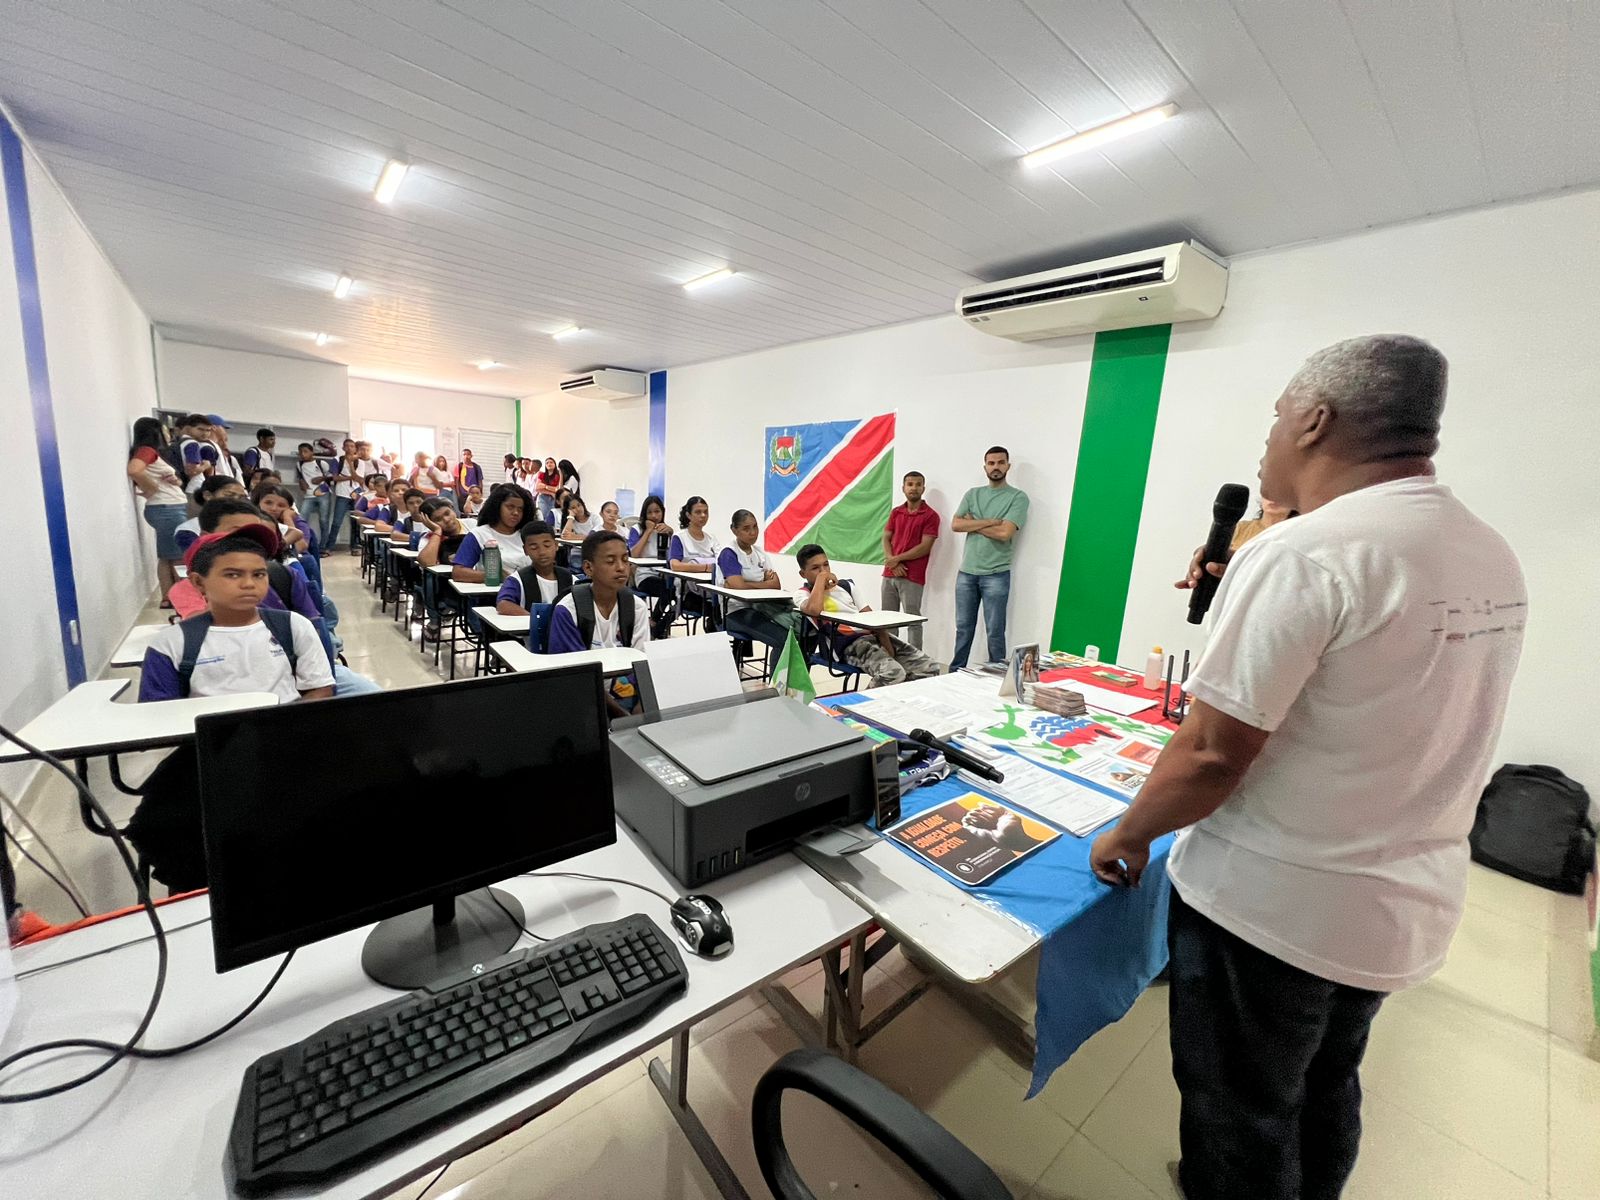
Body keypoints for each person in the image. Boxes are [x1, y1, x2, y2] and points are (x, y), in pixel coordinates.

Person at [1089, 335, 1526, 1200]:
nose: (1267, 441)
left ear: (1316, 419)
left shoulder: (1306, 553)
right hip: (1396, 904)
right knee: (1327, 1082)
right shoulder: (1486, 550)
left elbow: (1213, 751)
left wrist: (1131, 831)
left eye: (1277, 416)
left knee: (1241, 1112)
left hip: (1274, 911)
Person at [128, 526, 335, 891]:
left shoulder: (292, 627)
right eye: (232, 574)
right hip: (208, 751)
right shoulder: (173, 643)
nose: (249, 584)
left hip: (283, 740)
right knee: (174, 823)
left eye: (257, 574)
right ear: (198, 582)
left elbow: (320, 688)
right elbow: (155, 718)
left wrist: (278, 729)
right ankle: (205, 891)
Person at [797, 544, 939, 688]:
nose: (823, 571)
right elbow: (814, 610)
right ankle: (862, 706)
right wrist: (821, 580)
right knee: (893, 674)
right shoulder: (803, 594)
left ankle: (899, 699)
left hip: (871, 637)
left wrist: (886, 642)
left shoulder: (846, 586)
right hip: (845, 644)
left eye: (826, 565)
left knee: (929, 667)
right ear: (803, 574)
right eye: (816, 568)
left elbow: (870, 617)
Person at [548, 531, 651, 714]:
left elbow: (642, 666)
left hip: (626, 693)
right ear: (588, 568)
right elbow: (578, 676)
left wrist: (641, 707)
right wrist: (622, 716)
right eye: (610, 561)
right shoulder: (569, 610)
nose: (621, 568)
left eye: (625, 559)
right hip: (583, 699)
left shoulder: (637, 607)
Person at [950, 446, 1029, 669]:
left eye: (1000, 463)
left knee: (995, 631)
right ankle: (955, 673)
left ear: (1008, 466)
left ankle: (996, 676)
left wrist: (974, 523)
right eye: (991, 463)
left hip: (996, 574)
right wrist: (991, 521)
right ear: (985, 466)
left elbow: (1005, 534)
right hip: (966, 573)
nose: (996, 467)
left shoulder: (1018, 498)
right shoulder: (973, 494)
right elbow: (956, 524)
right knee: (963, 628)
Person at [716, 510, 799, 669]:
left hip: (762, 608)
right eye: (746, 528)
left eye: (755, 527)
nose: (753, 532)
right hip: (736, 612)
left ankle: (794, 683)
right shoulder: (729, 553)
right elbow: (737, 586)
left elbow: (775, 585)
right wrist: (761, 582)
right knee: (783, 639)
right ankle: (777, 688)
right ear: (734, 530)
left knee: (801, 631)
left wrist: (744, 582)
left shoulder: (760, 553)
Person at [126, 417, 188, 603]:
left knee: (168, 556)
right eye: (164, 430)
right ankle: (180, 600)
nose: (168, 433)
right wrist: (151, 489)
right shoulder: (147, 451)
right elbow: (135, 470)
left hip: (167, 508)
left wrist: (175, 481)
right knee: (178, 558)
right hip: (167, 509)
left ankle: (169, 598)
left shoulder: (153, 453)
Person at [880, 470, 940, 650]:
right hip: (890, 575)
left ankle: (916, 661)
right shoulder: (896, 512)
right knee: (888, 619)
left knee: (913, 619)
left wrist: (896, 559)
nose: (914, 488)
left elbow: (925, 546)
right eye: (910, 484)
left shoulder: (931, 515)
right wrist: (893, 562)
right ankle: (890, 655)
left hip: (912, 576)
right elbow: (885, 537)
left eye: (918, 484)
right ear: (903, 488)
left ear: (923, 488)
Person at [451, 485, 533, 582]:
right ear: (497, 506)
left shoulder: (527, 534)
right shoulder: (479, 535)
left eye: (520, 509)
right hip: (492, 594)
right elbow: (458, 573)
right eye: (510, 507)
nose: (516, 513)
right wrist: (495, 576)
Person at [495, 521, 575, 615]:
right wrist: (535, 619)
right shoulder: (517, 580)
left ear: (556, 545)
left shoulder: (570, 578)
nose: (542, 552)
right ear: (525, 550)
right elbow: (503, 604)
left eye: (547, 546)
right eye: (534, 547)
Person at [629, 494, 676, 638]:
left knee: (679, 594)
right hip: (643, 575)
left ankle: (657, 625)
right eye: (650, 512)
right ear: (644, 514)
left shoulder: (666, 530)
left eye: (657, 511)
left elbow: (673, 557)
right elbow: (634, 554)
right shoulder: (637, 529)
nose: (654, 515)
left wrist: (671, 534)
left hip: (662, 573)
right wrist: (648, 531)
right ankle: (656, 623)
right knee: (666, 590)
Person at [670, 495, 721, 628]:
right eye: (698, 512)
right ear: (688, 515)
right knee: (720, 612)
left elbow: (720, 561)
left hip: (712, 588)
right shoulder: (679, 537)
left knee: (732, 609)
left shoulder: (711, 538)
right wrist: (705, 567)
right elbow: (674, 565)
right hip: (690, 592)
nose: (703, 515)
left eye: (705, 512)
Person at [174, 475, 249, 553]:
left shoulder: (248, 523)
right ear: (208, 495)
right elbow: (199, 560)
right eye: (229, 495)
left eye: (241, 497)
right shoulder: (189, 529)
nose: (236, 500)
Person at [292, 442, 334, 550]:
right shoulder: (299, 464)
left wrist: (322, 479)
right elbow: (300, 477)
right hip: (308, 495)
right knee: (301, 519)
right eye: (300, 452)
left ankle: (323, 547)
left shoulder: (321, 463)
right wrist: (302, 483)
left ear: (312, 452)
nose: (303, 454)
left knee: (324, 520)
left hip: (323, 494)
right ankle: (303, 545)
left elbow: (331, 476)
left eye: (305, 451)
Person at [1229, 495, 1293, 551]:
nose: (1274, 497)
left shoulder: (1296, 535)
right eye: (1269, 492)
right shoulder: (1239, 528)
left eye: (1283, 493)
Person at [534, 456, 561, 522]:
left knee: (552, 517)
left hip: (554, 498)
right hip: (543, 498)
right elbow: (537, 488)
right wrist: (551, 492)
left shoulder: (558, 475)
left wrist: (544, 486)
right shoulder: (542, 474)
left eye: (551, 462)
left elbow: (557, 489)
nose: (549, 464)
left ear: (555, 464)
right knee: (543, 516)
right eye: (547, 463)